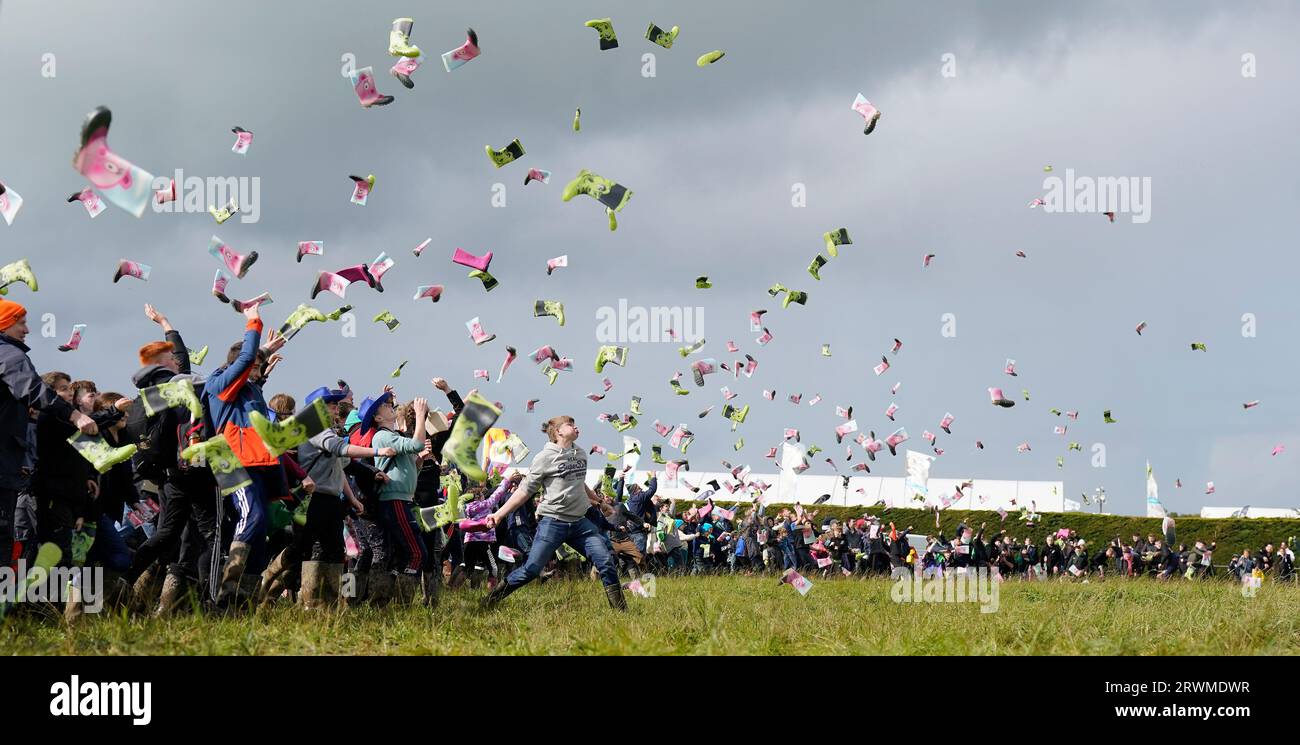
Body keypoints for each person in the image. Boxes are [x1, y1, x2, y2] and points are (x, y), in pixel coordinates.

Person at [480, 415, 625, 610]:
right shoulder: (544, 458)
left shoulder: (581, 454)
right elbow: (524, 491)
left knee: (606, 561)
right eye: (570, 425)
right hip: (553, 523)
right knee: (531, 569)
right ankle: (492, 599)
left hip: (580, 524)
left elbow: (579, 482)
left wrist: (599, 502)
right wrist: (499, 515)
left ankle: (621, 611)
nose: (576, 427)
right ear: (558, 432)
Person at [202, 304, 287, 607]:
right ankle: (227, 591)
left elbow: (251, 363)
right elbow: (245, 357)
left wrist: (263, 352)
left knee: (261, 525)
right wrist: (254, 321)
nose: (257, 372)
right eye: (253, 367)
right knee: (252, 516)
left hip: (256, 462)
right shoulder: (220, 384)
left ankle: (244, 600)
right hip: (230, 459)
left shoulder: (251, 389)